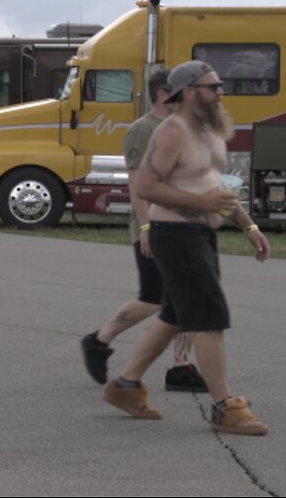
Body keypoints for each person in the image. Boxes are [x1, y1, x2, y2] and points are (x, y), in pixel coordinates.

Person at [101, 61, 271, 436]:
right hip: (175, 234)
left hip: (201, 235)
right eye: (214, 86)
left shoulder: (208, 130)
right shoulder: (171, 132)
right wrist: (199, 204)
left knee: (175, 315)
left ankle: (125, 386)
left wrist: (249, 225)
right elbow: (144, 187)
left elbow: (217, 187)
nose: (221, 91)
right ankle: (224, 405)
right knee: (209, 315)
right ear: (190, 91)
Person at [81, 69, 206, 391]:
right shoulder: (142, 130)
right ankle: (99, 341)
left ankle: (181, 367)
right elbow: (137, 184)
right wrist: (147, 226)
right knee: (153, 299)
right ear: (163, 95)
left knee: (185, 296)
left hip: (182, 227)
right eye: (182, 92)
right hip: (153, 228)